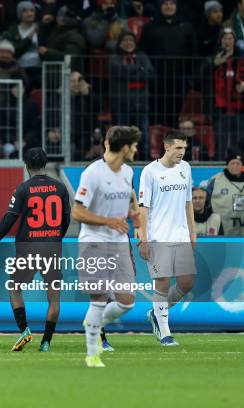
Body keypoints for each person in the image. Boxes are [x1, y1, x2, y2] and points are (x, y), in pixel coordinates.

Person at [0, 147, 70, 352]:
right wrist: (55, 238)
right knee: (53, 297)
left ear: (26, 165)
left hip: (28, 248)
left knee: (14, 287)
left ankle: (24, 330)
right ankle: (46, 342)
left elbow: (8, 221)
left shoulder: (23, 189)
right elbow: (66, 220)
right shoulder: (61, 188)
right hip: (52, 248)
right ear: (45, 164)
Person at [72, 126, 141, 367]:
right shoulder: (93, 174)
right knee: (99, 298)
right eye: (133, 146)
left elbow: (123, 202)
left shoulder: (128, 172)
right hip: (94, 242)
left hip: (120, 243)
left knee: (126, 301)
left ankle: (94, 322)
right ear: (124, 148)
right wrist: (108, 221)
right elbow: (77, 211)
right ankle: (92, 354)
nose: (135, 150)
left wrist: (133, 214)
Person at [138, 130, 196, 347]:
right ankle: (165, 332)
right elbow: (143, 209)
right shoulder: (150, 172)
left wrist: (192, 231)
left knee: (187, 282)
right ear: (167, 147)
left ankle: (156, 313)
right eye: (178, 148)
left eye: (184, 148)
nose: (182, 152)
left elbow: (188, 202)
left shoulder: (186, 168)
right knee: (162, 282)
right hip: (158, 235)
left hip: (181, 234)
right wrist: (144, 239)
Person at [139, 0, 198, 128]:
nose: (168, 6)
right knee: (155, 113)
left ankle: (171, 144)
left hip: (179, 78)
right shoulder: (150, 27)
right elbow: (142, 51)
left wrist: (189, 77)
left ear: (176, 6)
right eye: (165, 4)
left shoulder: (186, 26)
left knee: (174, 114)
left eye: (172, 3)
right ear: (160, 6)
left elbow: (194, 52)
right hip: (156, 78)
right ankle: (154, 145)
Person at [109, 31, 153, 159]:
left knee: (143, 136)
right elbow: (118, 71)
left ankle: (144, 159)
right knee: (121, 136)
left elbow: (149, 74)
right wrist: (138, 69)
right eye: (125, 41)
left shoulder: (142, 56)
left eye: (131, 41)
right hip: (121, 104)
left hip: (141, 104)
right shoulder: (114, 58)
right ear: (120, 43)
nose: (128, 43)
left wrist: (127, 71)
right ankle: (120, 158)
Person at [210, 28, 244, 159]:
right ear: (220, 41)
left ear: (234, 41)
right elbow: (203, 77)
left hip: (238, 107)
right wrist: (214, 63)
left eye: (230, 38)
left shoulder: (240, 59)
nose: (227, 41)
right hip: (219, 106)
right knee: (221, 139)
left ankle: (237, 165)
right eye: (225, 38)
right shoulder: (214, 58)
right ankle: (219, 163)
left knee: (238, 139)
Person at [204, 151, 244, 236]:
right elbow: (206, 200)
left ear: (242, 166)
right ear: (227, 165)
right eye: (232, 163)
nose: (235, 166)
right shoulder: (216, 180)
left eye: (238, 163)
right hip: (222, 227)